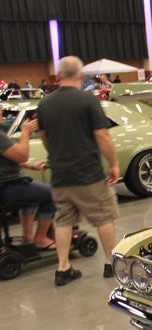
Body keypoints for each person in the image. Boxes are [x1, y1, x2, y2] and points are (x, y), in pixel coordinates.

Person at [37, 56, 120, 286]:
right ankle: (110, 263)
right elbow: (102, 135)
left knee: (63, 220)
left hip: (60, 176)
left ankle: (63, 268)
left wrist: (56, 154)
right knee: (104, 216)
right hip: (88, 174)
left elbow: (44, 136)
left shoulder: (44, 103)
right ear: (81, 76)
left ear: (58, 76)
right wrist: (113, 163)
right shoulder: (88, 100)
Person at [0, 117, 56, 250]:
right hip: (8, 185)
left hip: (7, 184)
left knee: (32, 195)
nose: (2, 115)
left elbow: (9, 155)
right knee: (53, 194)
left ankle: (28, 235)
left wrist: (31, 166)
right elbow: (22, 156)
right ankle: (40, 239)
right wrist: (25, 132)